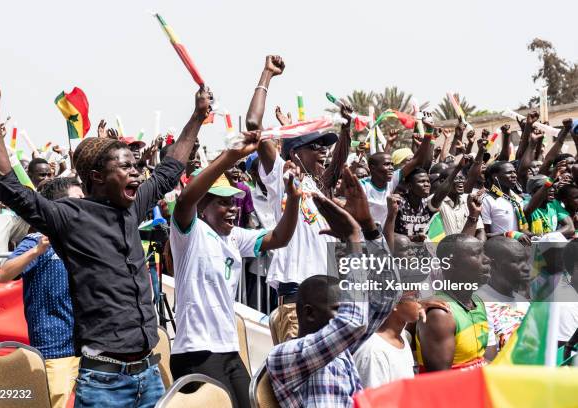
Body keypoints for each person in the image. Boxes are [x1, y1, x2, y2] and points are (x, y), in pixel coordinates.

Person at [0, 69, 205, 408]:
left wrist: (197, 116)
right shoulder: (70, 217)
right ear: (97, 177)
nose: (136, 172)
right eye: (125, 167)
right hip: (104, 383)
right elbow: (9, 187)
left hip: (149, 377)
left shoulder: (134, 205)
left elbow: (170, 170)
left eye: (136, 166)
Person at [170, 131, 299, 407]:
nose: (231, 209)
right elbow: (184, 202)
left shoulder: (235, 237)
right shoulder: (190, 234)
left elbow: (280, 238)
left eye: (232, 202)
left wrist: (294, 199)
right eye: (222, 202)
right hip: (196, 352)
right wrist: (230, 157)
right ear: (202, 207)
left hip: (228, 350)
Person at [246, 55, 353, 342]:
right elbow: (254, 124)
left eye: (325, 147)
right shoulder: (283, 176)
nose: (323, 151)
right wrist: (267, 73)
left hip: (330, 298)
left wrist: (347, 127)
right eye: (315, 146)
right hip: (296, 302)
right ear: (295, 153)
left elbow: (339, 159)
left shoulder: (322, 186)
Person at [266, 193, 399, 408]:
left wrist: (370, 230)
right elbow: (353, 321)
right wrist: (353, 239)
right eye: (339, 309)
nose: (346, 313)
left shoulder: (339, 348)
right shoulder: (286, 355)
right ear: (309, 313)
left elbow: (387, 296)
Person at [0, 177, 84, 408]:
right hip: (56, 351)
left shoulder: (85, 241)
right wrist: (36, 251)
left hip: (90, 348)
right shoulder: (37, 241)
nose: (85, 206)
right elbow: (3, 274)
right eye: (78, 200)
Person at [416, 234, 494, 371]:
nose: (487, 259)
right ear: (450, 264)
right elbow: (441, 383)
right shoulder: (440, 314)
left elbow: (480, 361)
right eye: (477, 254)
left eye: (484, 253)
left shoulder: (477, 302)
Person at [353, 291, 421, 388]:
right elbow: (374, 401)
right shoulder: (373, 352)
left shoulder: (399, 336)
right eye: (415, 296)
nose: (420, 303)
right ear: (394, 303)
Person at [361, 136, 431, 228]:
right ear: (373, 168)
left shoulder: (392, 180)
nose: (391, 168)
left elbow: (417, 161)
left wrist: (428, 134)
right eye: (387, 164)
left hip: (384, 237)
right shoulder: (361, 186)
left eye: (392, 164)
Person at [476, 237, 530, 348]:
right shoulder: (478, 305)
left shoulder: (524, 303)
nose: (527, 268)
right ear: (493, 265)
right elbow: (487, 360)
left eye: (526, 261)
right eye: (518, 261)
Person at [481, 161, 531, 244]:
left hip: (518, 250)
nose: (514, 175)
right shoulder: (487, 200)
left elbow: (522, 231)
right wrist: (508, 234)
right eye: (509, 173)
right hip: (499, 250)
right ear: (495, 177)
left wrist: (537, 236)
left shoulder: (517, 199)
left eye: (514, 172)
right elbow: (485, 235)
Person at [434, 161, 486, 240]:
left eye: (462, 178)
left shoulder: (469, 199)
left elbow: (480, 231)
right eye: (456, 178)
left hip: (470, 249)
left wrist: (479, 247)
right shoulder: (437, 202)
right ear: (443, 181)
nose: (460, 181)